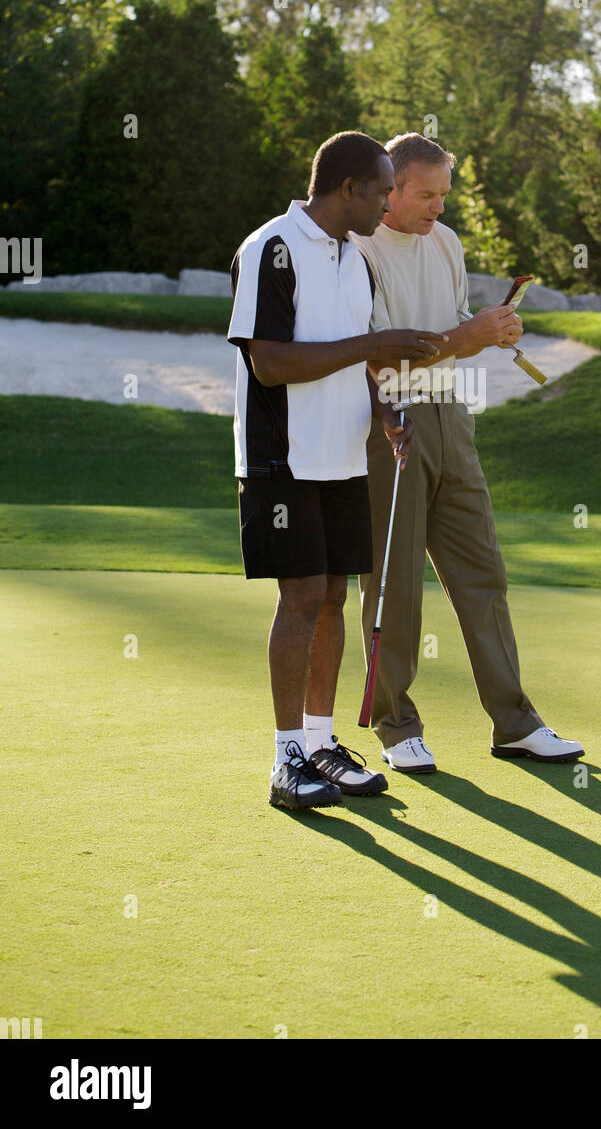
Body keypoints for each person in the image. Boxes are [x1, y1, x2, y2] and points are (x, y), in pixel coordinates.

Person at [349, 133, 585, 773]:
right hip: (391, 422)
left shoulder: (446, 243)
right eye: (426, 195)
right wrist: (466, 335)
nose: (438, 209)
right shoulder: (359, 250)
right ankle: (397, 727)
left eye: (444, 195)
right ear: (389, 189)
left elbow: (450, 331)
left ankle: (515, 723)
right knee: (393, 584)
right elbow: (374, 354)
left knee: (483, 574)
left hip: (452, 415)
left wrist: (489, 332)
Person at [228, 130, 446, 811]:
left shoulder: (358, 260)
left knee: (331, 597)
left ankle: (321, 743)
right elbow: (268, 361)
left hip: (344, 455)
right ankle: (286, 756)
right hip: (281, 457)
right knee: (300, 595)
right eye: (382, 191)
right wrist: (378, 343)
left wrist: (385, 410)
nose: (388, 205)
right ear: (348, 188)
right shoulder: (272, 248)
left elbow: (358, 359)